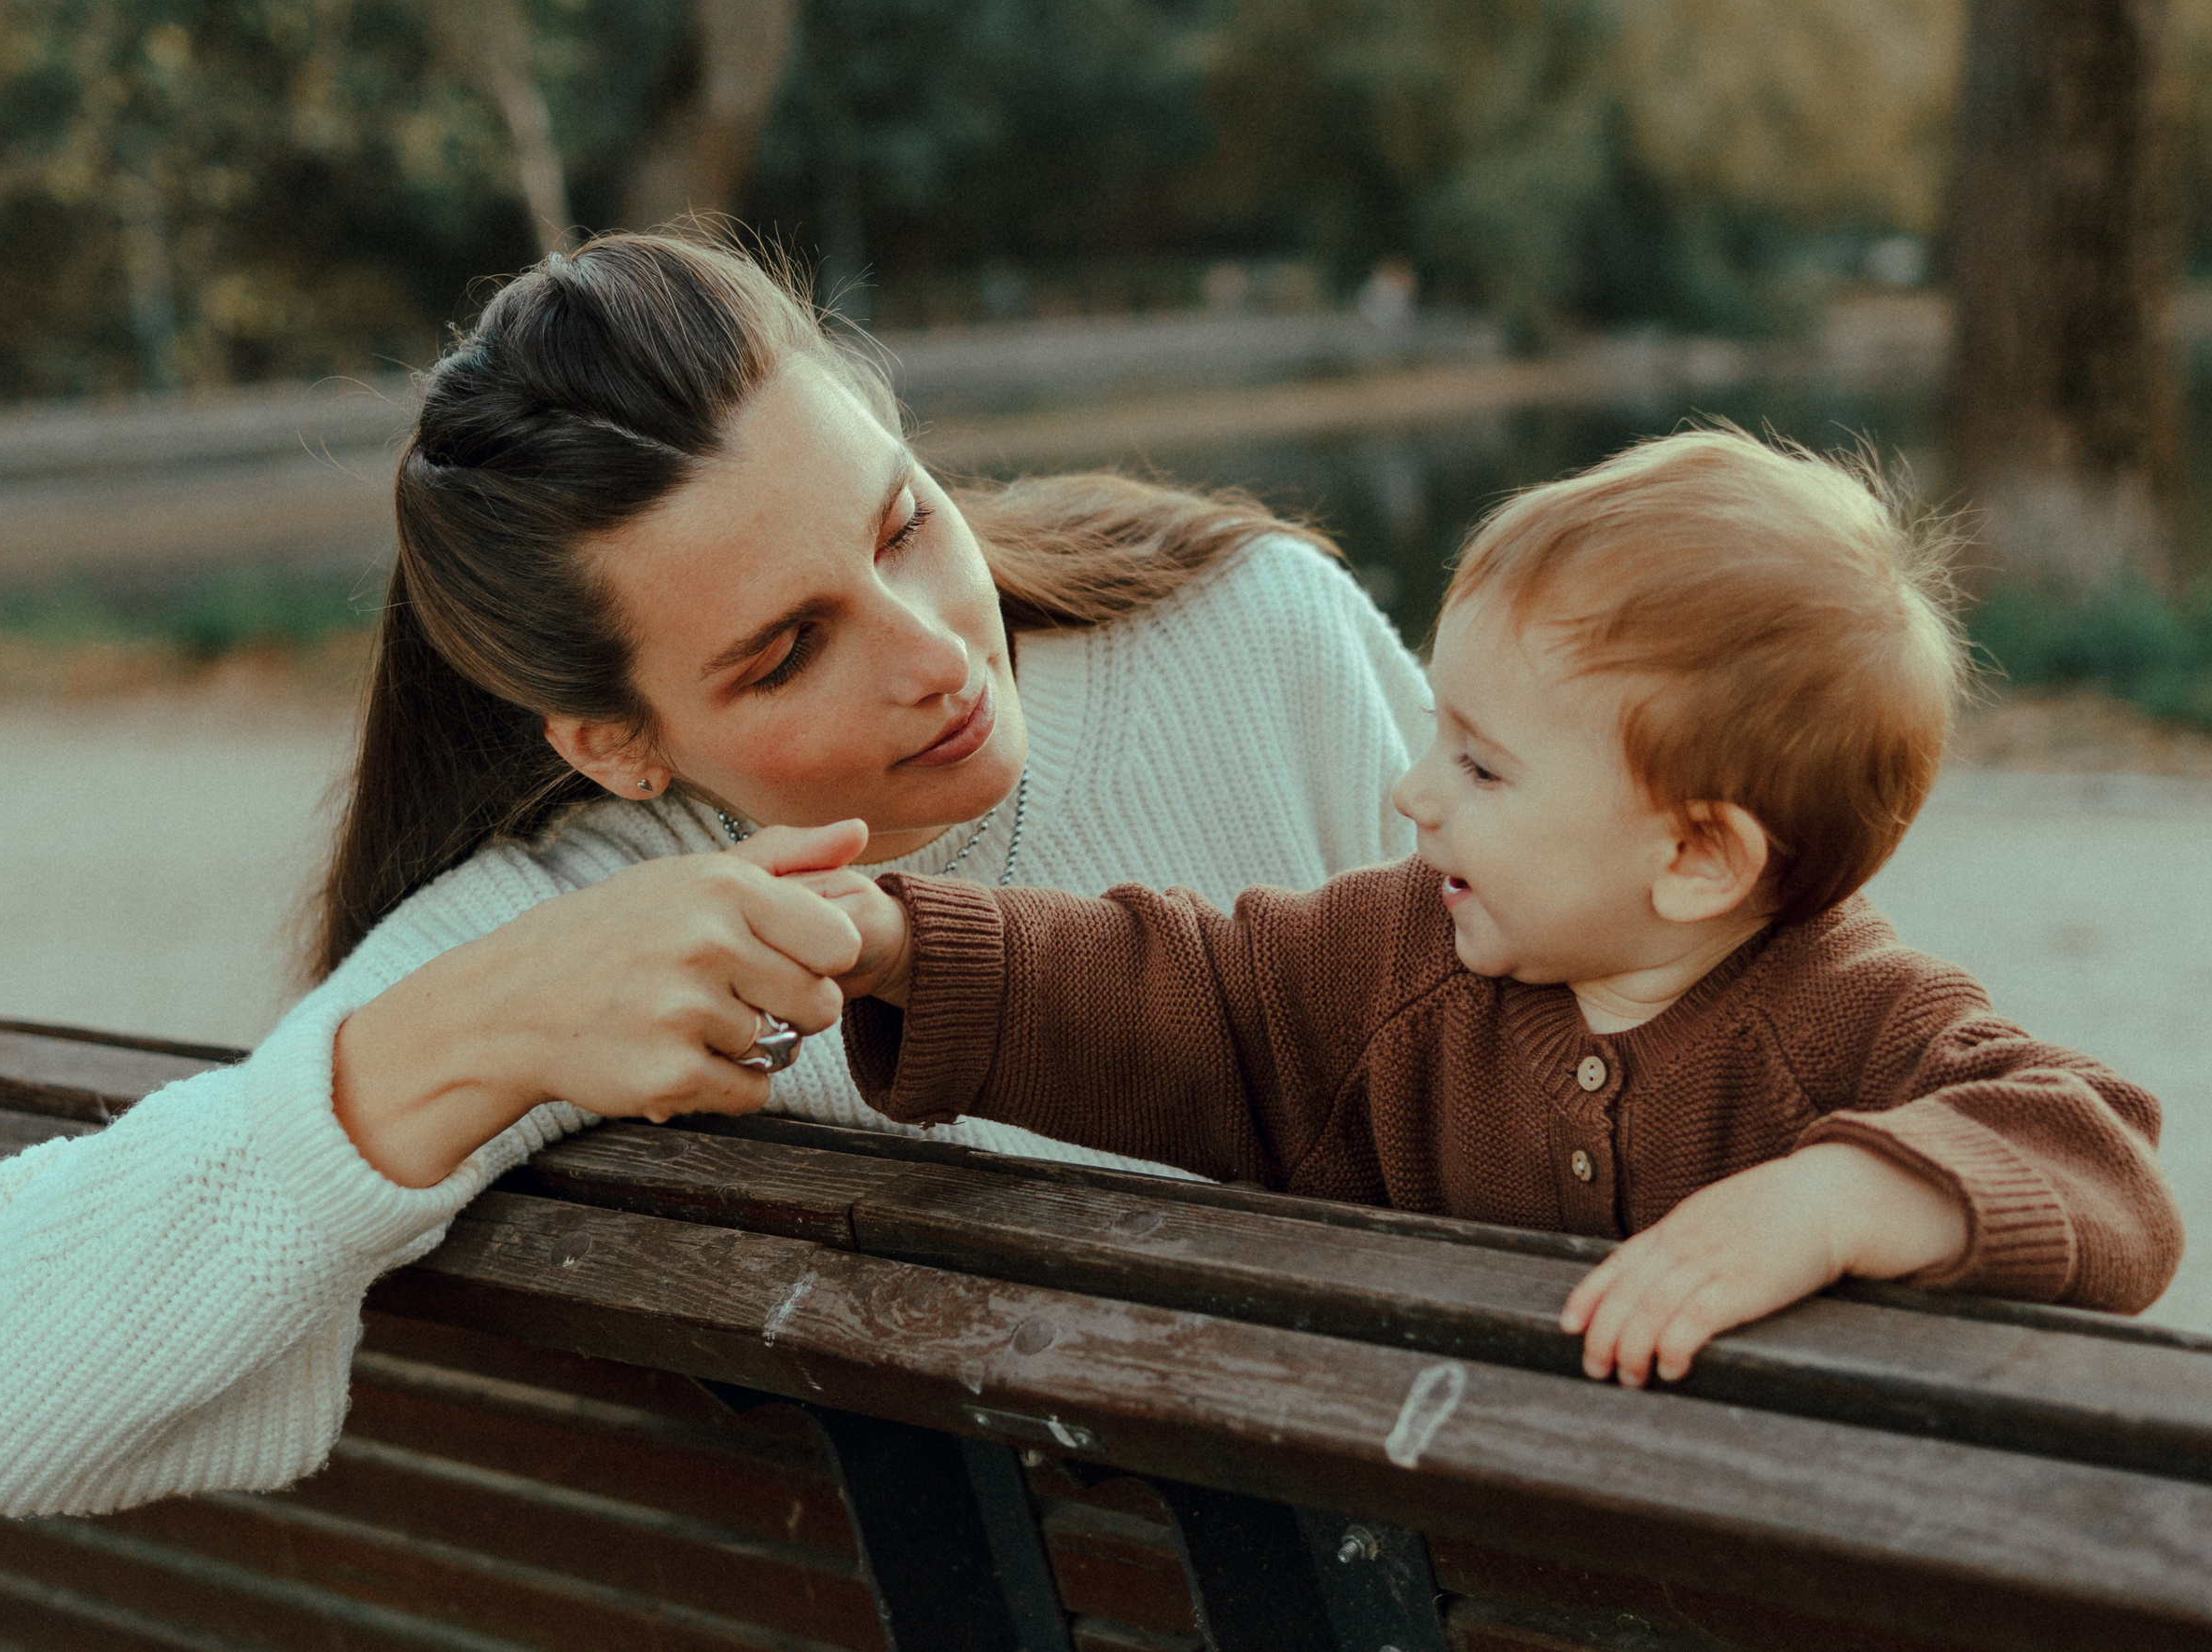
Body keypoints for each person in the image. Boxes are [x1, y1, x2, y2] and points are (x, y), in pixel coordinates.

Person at [0, 232, 1431, 1517]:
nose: (935, 649)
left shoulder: (1256, 634)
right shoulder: (592, 926)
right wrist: (476, 1027)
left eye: (903, 524)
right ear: (620, 744)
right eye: (788, 650)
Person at [808, 429, 2185, 1389]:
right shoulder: (1395, 960)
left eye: (1480, 762)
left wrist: (1838, 1196)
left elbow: (2107, 1168)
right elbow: (1188, 993)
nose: (1413, 790)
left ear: (1699, 857)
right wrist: (897, 945)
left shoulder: (1857, 1017)